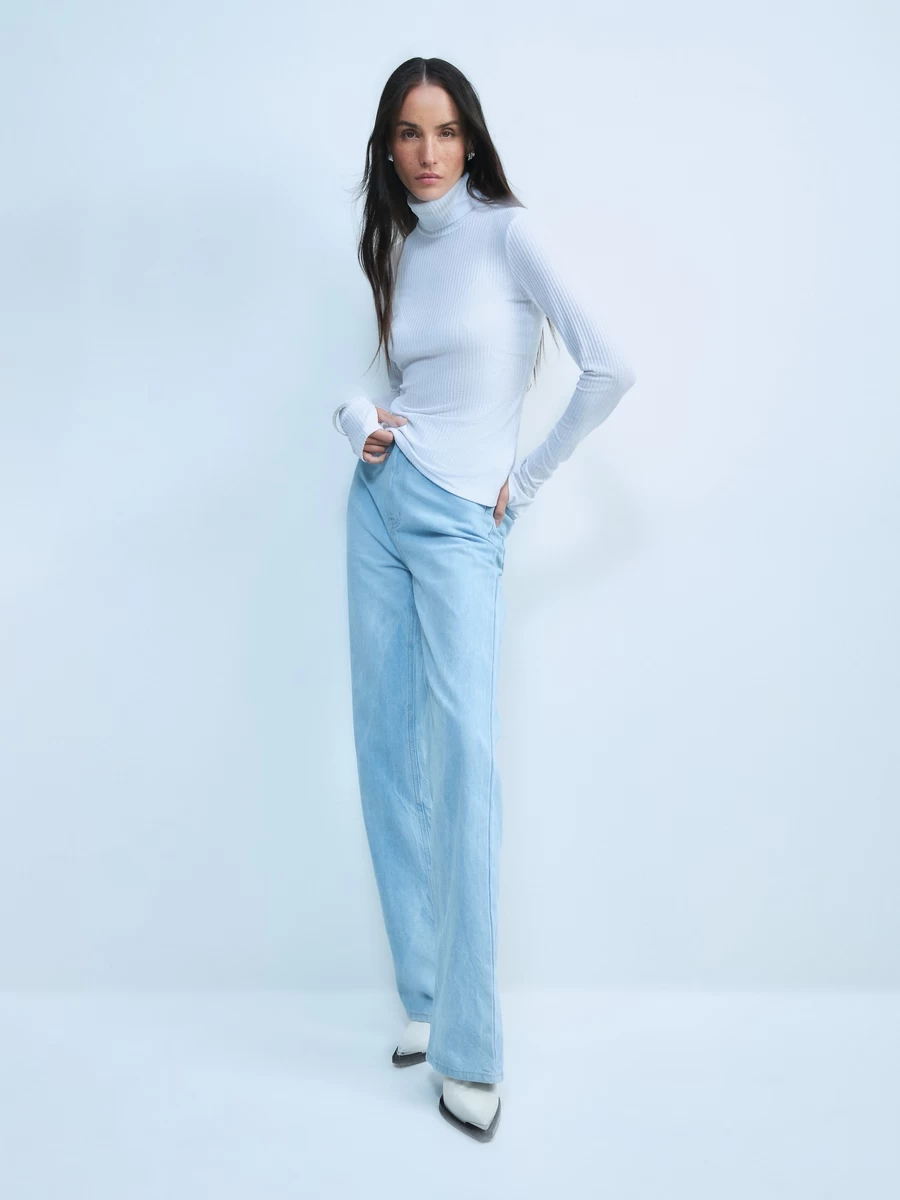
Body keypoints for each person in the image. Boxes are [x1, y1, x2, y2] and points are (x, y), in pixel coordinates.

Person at [332, 57, 636, 1142]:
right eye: (409, 134)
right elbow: (409, 388)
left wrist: (528, 484)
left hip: (465, 519)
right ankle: (424, 991)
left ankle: (470, 1047)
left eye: (447, 131)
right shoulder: (401, 247)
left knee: (463, 761)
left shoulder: (510, 235)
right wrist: (355, 417)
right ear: (388, 146)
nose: (428, 153)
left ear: (472, 140)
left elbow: (610, 366)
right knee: (385, 746)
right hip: (378, 502)